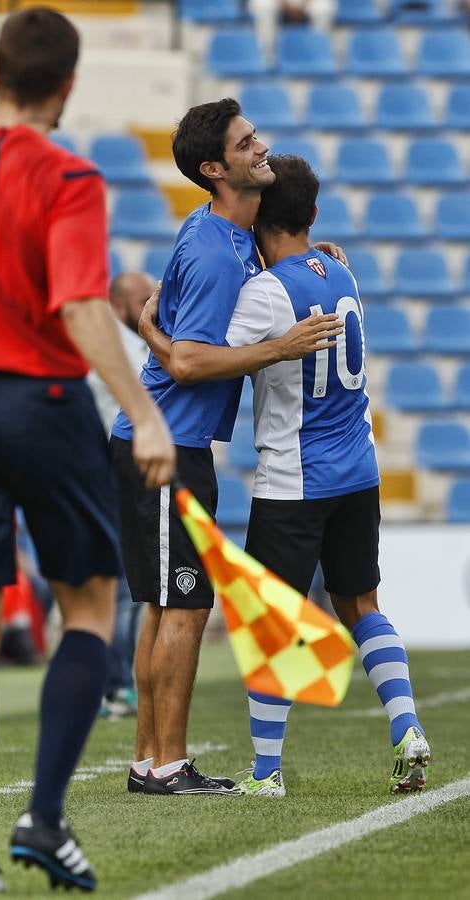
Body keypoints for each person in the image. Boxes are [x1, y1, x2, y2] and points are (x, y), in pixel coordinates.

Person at [0, 8, 174, 894]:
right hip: (44, 404)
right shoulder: (71, 176)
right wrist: (143, 413)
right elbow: (81, 305)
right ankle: (44, 820)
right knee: (88, 608)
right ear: (70, 85)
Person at [111, 97, 345, 797]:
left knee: (167, 605)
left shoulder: (230, 233)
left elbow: (168, 319)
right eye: (246, 144)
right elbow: (186, 361)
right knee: (183, 605)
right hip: (165, 448)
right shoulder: (216, 249)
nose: (260, 147)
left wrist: (310, 255)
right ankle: (166, 765)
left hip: (170, 445)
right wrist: (281, 346)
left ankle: (151, 760)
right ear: (214, 168)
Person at [219, 154, 430, 798]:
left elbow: (218, 358)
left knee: (272, 621)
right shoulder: (340, 270)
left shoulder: (265, 292)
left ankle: (266, 773)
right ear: (313, 215)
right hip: (358, 470)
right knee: (360, 604)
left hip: (294, 478)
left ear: (257, 215)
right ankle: (408, 728)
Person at [88, 272, 155, 718]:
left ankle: (114, 685)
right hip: (112, 476)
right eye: (143, 301)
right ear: (119, 304)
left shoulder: (120, 345)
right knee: (123, 590)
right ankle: (115, 686)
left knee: (124, 589)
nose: (149, 308)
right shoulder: (114, 348)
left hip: (113, 475)